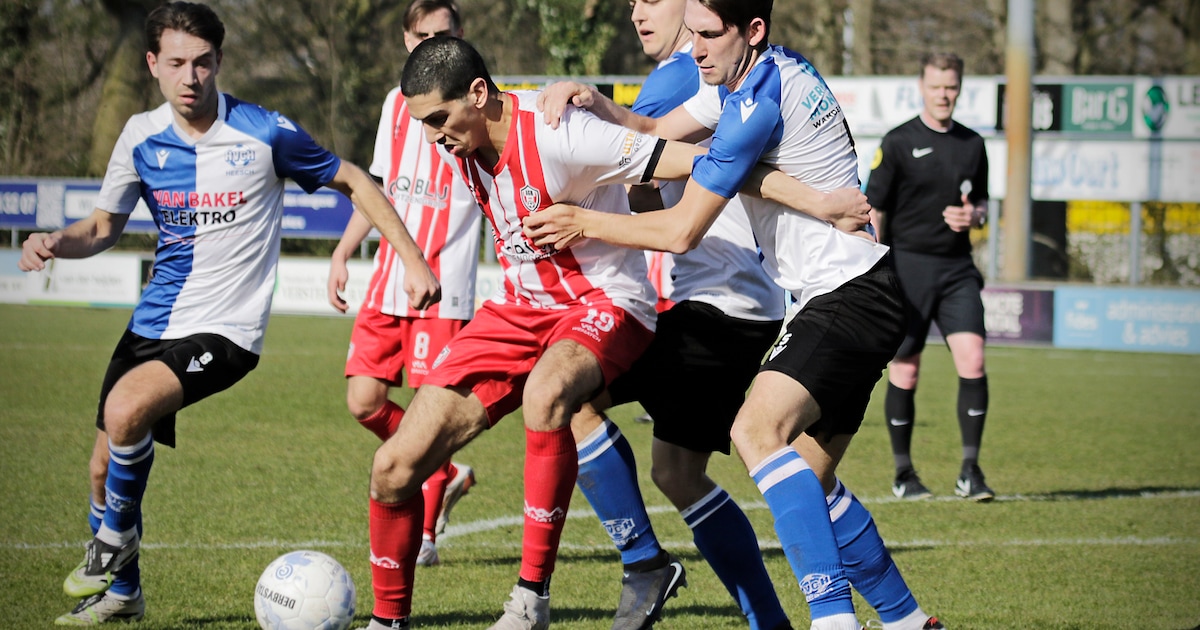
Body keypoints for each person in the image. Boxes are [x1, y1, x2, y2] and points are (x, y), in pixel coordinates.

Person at [362, 35, 859, 630]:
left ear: (477, 92)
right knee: (393, 467)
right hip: (519, 310)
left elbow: (708, 163)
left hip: (608, 304)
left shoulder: (559, 133)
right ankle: (387, 622)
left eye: (439, 118)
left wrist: (816, 202)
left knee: (556, 398)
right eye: (422, 124)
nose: (433, 135)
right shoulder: (460, 144)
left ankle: (530, 601)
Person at [16, 2, 440, 625]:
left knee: (126, 408)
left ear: (219, 63)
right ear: (153, 64)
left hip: (227, 330)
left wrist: (411, 259)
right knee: (104, 463)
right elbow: (104, 226)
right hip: (152, 323)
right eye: (178, 63)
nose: (191, 76)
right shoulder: (140, 136)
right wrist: (55, 239)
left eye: (204, 63)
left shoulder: (263, 131)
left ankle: (112, 543)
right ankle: (123, 594)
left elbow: (354, 178)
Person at [526, 1, 946, 628]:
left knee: (757, 433)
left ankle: (833, 622)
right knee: (811, 482)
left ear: (752, 31)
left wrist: (583, 220)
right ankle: (909, 621)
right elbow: (657, 135)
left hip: (847, 292)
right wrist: (597, 102)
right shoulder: (756, 75)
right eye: (691, 32)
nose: (694, 48)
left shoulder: (753, 102)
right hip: (856, 292)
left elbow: (680, 230)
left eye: (709, 34)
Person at [568, 0, 797, 628]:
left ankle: (648, 564)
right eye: (633, 0)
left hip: (721, 306)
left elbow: (629, 159)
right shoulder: (691, 74)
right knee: (674, 468)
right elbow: (643, 162)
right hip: (716, 303)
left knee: (571, 397)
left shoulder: (680, 72)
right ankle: (759, 615)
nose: (639, 10)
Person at [327, 0, 480, 569]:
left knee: (430, 414)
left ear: (460, 37)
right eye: (422, 35)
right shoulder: (396, 104)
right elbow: (380, 189)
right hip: (387, 280)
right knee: (363, 400)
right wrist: (344, 251)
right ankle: (444, 469)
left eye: (443, 35)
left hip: (443, 288)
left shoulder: (477, 105)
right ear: (405, 38)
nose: (431, 44)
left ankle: (426, 535)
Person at [864, 52, 994, 503]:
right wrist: (873, 263)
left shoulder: (973, 144)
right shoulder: (899, 142)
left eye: (952, 86)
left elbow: (982, 203)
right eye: (937, 86)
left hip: (958, 269)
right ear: (922, 87)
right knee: (906, 368)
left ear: (960, 88)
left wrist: (973, 215)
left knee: (973, 360)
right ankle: (904, 474)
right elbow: (874, 205)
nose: (944, 94)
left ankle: (970, 472)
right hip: (908, 267)